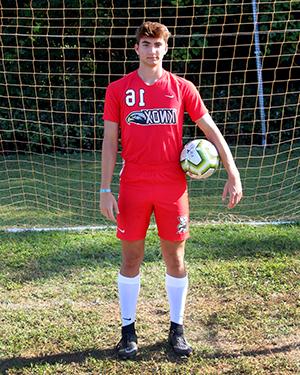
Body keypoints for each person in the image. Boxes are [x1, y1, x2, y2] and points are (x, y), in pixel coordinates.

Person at [100, 21, 243, 359]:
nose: (152, 50)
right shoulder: (118, 90)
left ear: (166, 49)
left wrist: (232, 172)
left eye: (158, 45)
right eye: (146, 44)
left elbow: (212, 132)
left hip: (171, 187)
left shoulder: (182, 88)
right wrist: (104, 189)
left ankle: (177, 330)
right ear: (136, 49)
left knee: (175, 259)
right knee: (130, 259)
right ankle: (127, 332)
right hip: (133, 185)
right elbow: (109, 143)